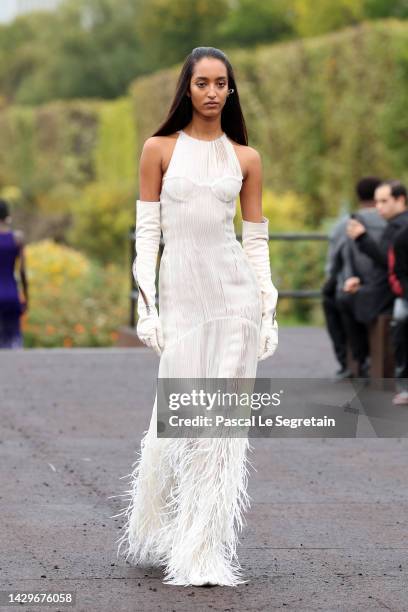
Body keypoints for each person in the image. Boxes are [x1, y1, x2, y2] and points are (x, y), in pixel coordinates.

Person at [113, 47, 278, 587]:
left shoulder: (245, 158)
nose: (212, 91)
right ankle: (160, 526)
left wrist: (268, 308)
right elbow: (147, 235)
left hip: (235, 298)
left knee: (221, 430)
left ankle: (202, 551)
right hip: (181, 295)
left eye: (221, 83)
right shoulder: (158, 150)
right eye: (202, 82)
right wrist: (148, 308)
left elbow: (254, 240)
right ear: (187, 88)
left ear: (231, 91)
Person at [347, 180, 408, 383]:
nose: (378, 207)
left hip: (396, 291)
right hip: (389, 287)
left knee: (346, 300)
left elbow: (387, 262)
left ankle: (363, 362)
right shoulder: (395, 224)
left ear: (400, 200)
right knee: (343, 296)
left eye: (384, 201)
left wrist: (362, 238)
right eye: (376, 201)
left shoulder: (402, 226)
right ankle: (362, 361)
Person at [322, 177, 384, 378]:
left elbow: (333, 265)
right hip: (386, 283)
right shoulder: (391, 220)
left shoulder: (345, 224)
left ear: (358, 197)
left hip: (357, 286)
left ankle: (348, 362)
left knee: (331, 297)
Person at [0, 199, 28, 348]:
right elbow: (22, 270)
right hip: (11, 293)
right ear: (7, 216)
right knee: (13, 341)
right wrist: (26, 296)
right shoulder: (17, 238)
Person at [389, 223, 408, 405]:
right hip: (406, 294)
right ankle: (404, 386)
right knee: (400, 321)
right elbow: (398, 273)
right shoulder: (402, 237)